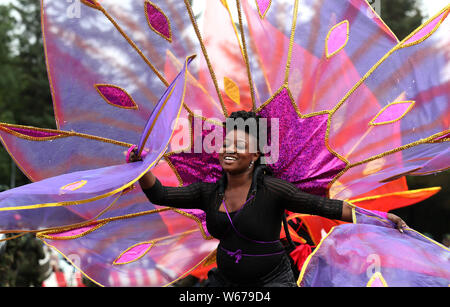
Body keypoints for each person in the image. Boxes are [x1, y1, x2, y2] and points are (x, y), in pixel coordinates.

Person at [128, 110, 407, 287]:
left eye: (239, 145)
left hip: (271, 281)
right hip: (225, 282)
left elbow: (325, 206)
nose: (229, 149)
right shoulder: (208, 192)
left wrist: (380, 218)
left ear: (255, 155)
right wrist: (142, 167)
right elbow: (160, 194)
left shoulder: (274, 190)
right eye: (225, 143)